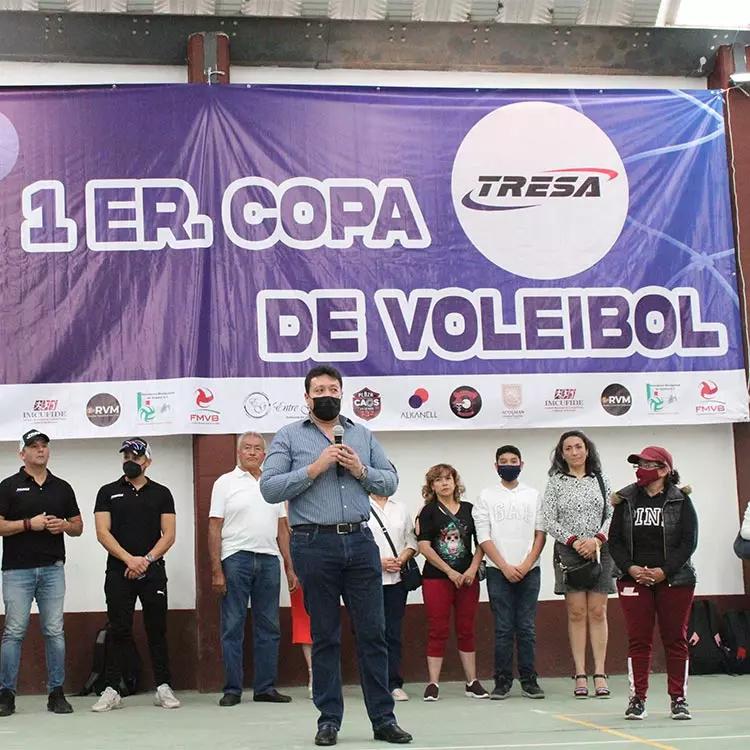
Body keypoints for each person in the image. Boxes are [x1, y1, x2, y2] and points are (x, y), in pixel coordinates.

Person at [260, 365, 412, 747]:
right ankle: (328, 720)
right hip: (313, 544)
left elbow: (391, 480)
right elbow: (269, 488)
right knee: (325, 635)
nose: (327, 395)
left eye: (333, 389)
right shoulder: (289, 436)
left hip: (360, 542)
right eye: (319, 390)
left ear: (342, 394)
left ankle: (384, 720)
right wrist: (314, 468)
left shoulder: (362, 433)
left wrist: (360, 469)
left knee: (373, 633)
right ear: (307, 397)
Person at [608, 446, 698, 721]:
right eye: (639, 465)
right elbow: (615, 541)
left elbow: (688, 542)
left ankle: (678, 699)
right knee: (638, 639)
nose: (641, 470)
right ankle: (637, 699)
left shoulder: (680, 500)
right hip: (633, 579)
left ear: (664, 470)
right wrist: (631, 568)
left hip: (675, 580)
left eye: (648, 465)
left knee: (675, 638)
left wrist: (665, 571)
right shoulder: (625, 500)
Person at [91, 438, 179, 712]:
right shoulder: (107, 492)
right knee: (119, 629)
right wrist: (129, 559)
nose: (130, 461)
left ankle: (163, 687)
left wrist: (146, 560)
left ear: (147, 461)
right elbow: (102, 532)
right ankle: (111, 689)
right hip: (119, 572)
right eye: (126, 456)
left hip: (153, 573)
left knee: (157, 629)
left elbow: (169, 534)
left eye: (136, 457)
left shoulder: (162, 493)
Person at [0, 429, 83, 717]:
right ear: (22, 453)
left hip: (52, 569)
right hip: (16, 571)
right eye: (34, 446)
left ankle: (56, 693)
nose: (40, 450)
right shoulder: (8, 487)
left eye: (44, 446)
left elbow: (78, 526)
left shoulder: (62, 487)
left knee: (54, 631)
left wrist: (65, 526)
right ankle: (6, 694)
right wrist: (28, 524)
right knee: (14, 631)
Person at [209, 432, 295, 706]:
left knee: (269, 627)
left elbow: (283, 529)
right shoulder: (225, 483)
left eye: (258, 448)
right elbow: (214, 527)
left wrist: (289, 566)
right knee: (232, 626)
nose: (252, 452)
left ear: (265, 455)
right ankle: (232, 690)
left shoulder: (273, 485)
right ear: (238, 453)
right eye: (247, 448)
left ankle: (265, 688)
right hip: (236, 559)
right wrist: (216, 570)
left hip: (269, 560)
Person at [543, 430, 614, 699]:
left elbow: (612, 514)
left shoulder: (601, 479)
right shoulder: (555, 482)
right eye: (568, 448)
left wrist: (596, 540)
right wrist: (574, 542)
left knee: (597, 611)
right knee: (576, 612)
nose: (574, 452)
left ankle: (600, 673)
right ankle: (580, 673)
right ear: (562, 454)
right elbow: (549, 519)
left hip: (600, 550)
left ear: (587, 449)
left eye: (578, 447)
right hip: (569, 551)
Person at [473, 445, 546, 700]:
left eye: (513, 461)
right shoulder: (486, 496)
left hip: (530, 571)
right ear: (496, 467)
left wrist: (526, 564)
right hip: (497, 572)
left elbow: (540, 533)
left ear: (521, 464)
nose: (508, 465)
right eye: (503, 461)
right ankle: (502, 681)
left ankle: (529, 680)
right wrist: (504, 566)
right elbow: (483, 536)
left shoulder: (533, 495)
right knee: (503, 628)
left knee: (527, 627)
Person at [416, 464, 488, 702]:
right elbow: (424, 546)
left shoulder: (469, 510)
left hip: (467, 578)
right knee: (438, 629)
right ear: (431, 486)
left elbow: (482, 542)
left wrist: (472, 569)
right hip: (437, 578)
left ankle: (472, 681)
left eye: (448, 478)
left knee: (466, 628)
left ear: (456, 482)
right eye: (438, 480)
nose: (444, 483)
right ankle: (433, 683)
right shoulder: (428, 511)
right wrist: (449, 571)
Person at [369, 493, 418, 702]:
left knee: (393, 633)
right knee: (371, 632)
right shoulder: (360, 505)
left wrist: (402, 558)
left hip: (397, 580)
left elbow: (411, 540)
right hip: (368, 580)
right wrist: (377, 562)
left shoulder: (400, 507)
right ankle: (373, 683)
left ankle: (393, 683)